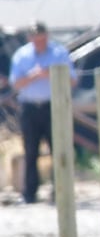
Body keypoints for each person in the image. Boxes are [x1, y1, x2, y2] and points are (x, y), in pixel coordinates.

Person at [9, 21, 77, 204]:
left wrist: (50, 75)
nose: (39, 42)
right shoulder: (22, 55)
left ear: (47, 37)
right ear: (30, 39)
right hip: (30, 108)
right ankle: (30, 193)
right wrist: (33, 76)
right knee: (31, 151)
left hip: (53, 106)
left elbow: (72, 80)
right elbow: (15, 84)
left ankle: (60, 191)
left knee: (59, 149)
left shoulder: (59, 53)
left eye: (42, 39)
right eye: (36, 39)